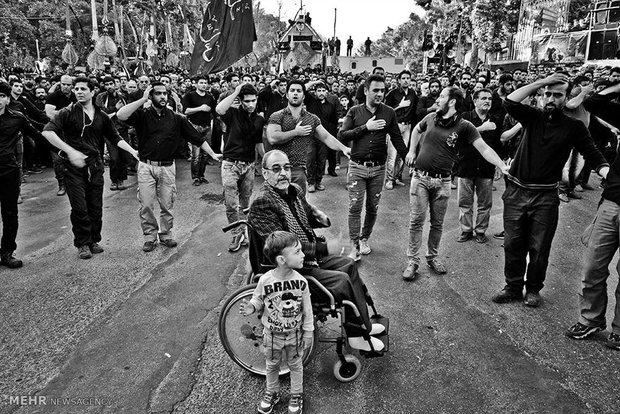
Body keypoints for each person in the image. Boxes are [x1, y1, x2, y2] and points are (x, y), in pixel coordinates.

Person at [491, 72, 609, 307]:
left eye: (557, 95)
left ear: (566, 98)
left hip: (545, 195)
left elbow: (593, 154)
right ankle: (513, 286)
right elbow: (510, 101)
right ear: (541, 96)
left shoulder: (573, 127)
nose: (551, 98)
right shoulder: (532, 117)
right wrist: (542, 82)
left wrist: (608, 173)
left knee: (539, 246)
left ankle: (533, 289)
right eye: (547, 94)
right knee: (513, 243)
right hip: (516, 191)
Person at [250, 150, 386, 353]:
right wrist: (325, 248)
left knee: (348, 265)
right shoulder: (263, 202)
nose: (283, 173)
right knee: (340, 281)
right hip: (287, 267)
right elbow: (284, 247)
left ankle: (363, 326)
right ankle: (357, 336)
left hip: (305, 259)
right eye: (276, 169)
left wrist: (319, 217)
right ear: (265, 173)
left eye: (287, 167)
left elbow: (304, 215)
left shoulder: (293, 190)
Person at [402, 86, 508, 280]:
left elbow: (484, 149)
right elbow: (416, 131)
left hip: (443, 182)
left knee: (437, 223)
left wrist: (501, 165)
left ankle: (432, 257)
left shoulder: (465, 126)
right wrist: (411, 151)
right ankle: (412, 261)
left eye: (442, 96)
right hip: (420, 179)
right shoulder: (430, 118)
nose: (438, 100)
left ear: (451, 102)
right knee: (416, 221)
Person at [117, 82, 222, 252]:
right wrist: (142, 99)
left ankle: (165, 234)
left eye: (165, 93)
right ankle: (150, 237)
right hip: (145, 167)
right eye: (158, 93)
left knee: (167, 203)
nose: (162, 97)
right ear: (151, 96)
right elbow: (121, 115)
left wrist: (212, 154)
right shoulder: (142, 115)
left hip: (167, 167)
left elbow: (197, 138)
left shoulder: (177, 118)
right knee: (146, 204)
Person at [42, 76, 139, 259]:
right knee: (79, 207)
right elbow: (47, 132)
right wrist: (70, 151)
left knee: (95, 206)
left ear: (92, 92)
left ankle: (93, 239)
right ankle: (82, 243)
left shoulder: (101, 115)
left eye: (83, 89)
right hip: (72, 168)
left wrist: (133, 150)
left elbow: (115, 137)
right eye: (76, 89)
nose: (78, 92)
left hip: (95, 166)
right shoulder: (67, 112)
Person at [565, 80, 620, 350]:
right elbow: (593, 102)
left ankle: (619, 330)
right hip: (613, 201)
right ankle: (591, 319)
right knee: (593, 266)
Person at [240, 231, 313, 414]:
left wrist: (309, 332)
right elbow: (258, 299)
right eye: (297, 252)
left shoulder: (301, 282)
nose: (303, 254)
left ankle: (296, 394)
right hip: (271, 335)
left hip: (294, 334)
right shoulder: (265, 280)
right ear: (281, 260)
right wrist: (252, 307)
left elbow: (307, 310)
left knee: (296, 365)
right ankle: (271, 392)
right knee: (271, 365)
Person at [339, 74, 409, 261]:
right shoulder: (354, 111)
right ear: (366, 90)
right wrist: (366, 127)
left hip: (378, 169)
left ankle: (364, 239)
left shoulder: (389, 112)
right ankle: (354, 245)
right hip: (357, 168)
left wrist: (409, 158)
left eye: (382, 90)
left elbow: (396, 138)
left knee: (372, 208)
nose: (379, 94)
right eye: (375, 90)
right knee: (355, 207)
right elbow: (343, 135)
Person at [266, 80, 351, 194]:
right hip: (277, 169)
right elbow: (273, 138)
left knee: (298, 205)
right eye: (292, 90)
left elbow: (326, 137)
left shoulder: (311, 119)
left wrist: (344, 148)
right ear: (287, 95)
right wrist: (295, 132)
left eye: (299, 91)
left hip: (298, 170)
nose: (295, 93)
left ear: (304, 96)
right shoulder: (277, 116)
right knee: (276, 206)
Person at [0, 82, 48, 268]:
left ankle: (7, 252)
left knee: (10, 213)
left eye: (2, 96)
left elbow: (37, 134)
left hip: (9, 172)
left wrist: (63, 150)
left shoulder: (17, 118)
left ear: (7, 98)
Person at [216, 82, 265, 252]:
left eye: (253, 100)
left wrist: (265, 163)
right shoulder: (233, 114)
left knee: (245, 203)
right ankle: (236, 234)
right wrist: (236, 91)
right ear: (241, 101)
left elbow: (258, 143)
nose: (250, 105)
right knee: (231, 203)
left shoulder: (259, 119)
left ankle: (243, 231)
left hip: (249, 165)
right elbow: (219, 110)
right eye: (247, 101)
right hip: (230, 164)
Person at [455, 88, 502, 243]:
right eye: (483, 98)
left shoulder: (495, 119)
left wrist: (498, 165)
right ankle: (466, 230)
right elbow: (458, 138)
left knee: (485, 203)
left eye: (489, 98)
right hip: (466, 166)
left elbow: (497, 145)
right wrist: (482, 128)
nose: (487, 101)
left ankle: (481, 231)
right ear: (475, 101)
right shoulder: (464, 117)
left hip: (486, 168)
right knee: (465, 202)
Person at [384, 69, 418, 190]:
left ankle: (397, 177)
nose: (406, 80)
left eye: (408, 78)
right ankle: (389, 180)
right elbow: (386, 111)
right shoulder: (392, 93)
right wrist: (400, 106)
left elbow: (416, 111)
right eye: (403, 78)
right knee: (392, 156)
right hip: (395, 126)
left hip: (407, 126)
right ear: (399, 80)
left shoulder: (413, 93)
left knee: (403, 154)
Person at [95, 76, 131, 191]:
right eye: (107, 84)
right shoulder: (101, 97)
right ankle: (114, 180)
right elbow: (101, 113)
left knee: (124, 156)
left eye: (111, 83)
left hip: (122, 130)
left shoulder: (122, 97)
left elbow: (125, 112)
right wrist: (115, 109)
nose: (109, 86)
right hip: (109, 131)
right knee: (114, 157)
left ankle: (121, 179)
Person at [303, 81, 339, 192]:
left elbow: (334, 121)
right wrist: (316, 82)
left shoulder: (330, 105)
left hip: (324, 137)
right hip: (311, 136)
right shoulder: (311, 101)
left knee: (322, 160)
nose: (321, 93)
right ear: (315, 92)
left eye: (323, 90)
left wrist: (330, 135)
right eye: (319, 91)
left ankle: (318, 181)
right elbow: (303, 88)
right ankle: (310, 182)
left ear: (327, 92)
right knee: (310, 159)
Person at [45, 74, 76, 196]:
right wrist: (66, 112)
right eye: (63, 84)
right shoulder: (53, 97)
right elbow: (49, 113)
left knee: (71, 159)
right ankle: (61, 184)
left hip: (72, 133)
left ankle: (72, 183)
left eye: (68, 85)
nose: (66, 87)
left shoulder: (75, 96)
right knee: (58, 160)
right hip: (56, 133)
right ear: (60, 84)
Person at [182, 75, 216, 186]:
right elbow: (185, 111)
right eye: (201, 82)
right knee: (196, 155)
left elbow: (214, 112)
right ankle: (195, 177)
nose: (203, 85)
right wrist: (200, 108)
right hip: (194, 127)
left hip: (206, 127)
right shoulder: (190, 96)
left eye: (205, 83)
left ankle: (202, 175)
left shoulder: (210, 97)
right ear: (196, 84)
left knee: (205, 155)